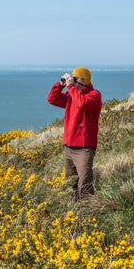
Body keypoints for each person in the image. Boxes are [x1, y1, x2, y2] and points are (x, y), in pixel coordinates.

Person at [47, 67, 102, 200]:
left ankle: (88, 210)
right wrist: (60, 85)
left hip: (84, 148)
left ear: (83, 81)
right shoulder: (72, 96)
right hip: (69, 147)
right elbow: (52, 99)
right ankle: (73, 211)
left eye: (74, 78)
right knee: (71, 183)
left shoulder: (94, 96)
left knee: (84, 184)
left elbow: (82, 103)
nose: (70, 80)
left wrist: (70, 87)